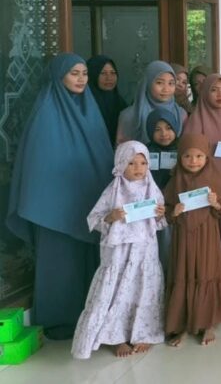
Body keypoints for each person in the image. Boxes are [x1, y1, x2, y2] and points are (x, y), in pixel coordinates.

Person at [6, 53, 113, 340]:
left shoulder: (89, 109)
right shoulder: (45, 112)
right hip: (54, 210)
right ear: (58, 76)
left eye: (83, 73)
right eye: (74, 73)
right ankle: (60, 319)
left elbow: (102, 157)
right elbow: (40, 165)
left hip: (88, 202)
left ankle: (92, 319)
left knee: (89, 264)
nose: (81, 79)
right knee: (60, 264)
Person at [71, 141, 167, 359]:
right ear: (121, 164)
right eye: (131, 163)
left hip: (144, 250)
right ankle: (116, 337)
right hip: (119, 252)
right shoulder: (113, 190)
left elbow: (160, 221)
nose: (138, 168)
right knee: (117, 290)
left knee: (144, 288)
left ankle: (144, 333)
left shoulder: (151, 187)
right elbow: (94, 219)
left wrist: (161, 213)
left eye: (143, 163)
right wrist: (111, 217)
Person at [163, 133, 221, 347]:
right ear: (180, 158)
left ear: (207, 158)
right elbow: (165, 212)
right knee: (184, 273)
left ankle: (208, 323)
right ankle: (183, 324)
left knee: (206, 273)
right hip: (183, 237)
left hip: (208, 237)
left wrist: (215, 204)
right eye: (187, 156)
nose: (193, 161)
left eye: (199, 156)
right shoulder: (175, 180)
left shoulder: (216, 177)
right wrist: (174, 212)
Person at [183, 73, 221, 292]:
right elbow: (188, 156)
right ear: (204, 92)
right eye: (214, 90)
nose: (220, 95)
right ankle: (209, 282)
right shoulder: (195, 120)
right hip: (204, 188)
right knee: (209, 237)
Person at [116, 61, 186, 145]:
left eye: (171, 83)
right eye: (159, 83)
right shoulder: (129, 115)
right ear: (147, 84)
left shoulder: (181, 114)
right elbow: (121, 151)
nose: (166, 89)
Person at [145, 108, 181, 271]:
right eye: (157, 129)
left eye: (168, 128)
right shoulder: (144, 152)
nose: (164, 134)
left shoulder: (183, 151)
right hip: (151, 208)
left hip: (175, 207)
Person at [87, 55, 128, 146]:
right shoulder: (85, 105)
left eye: (113, 73)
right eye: (103, 73)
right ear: (93, 74)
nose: (109, 78)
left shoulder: (120, 104)